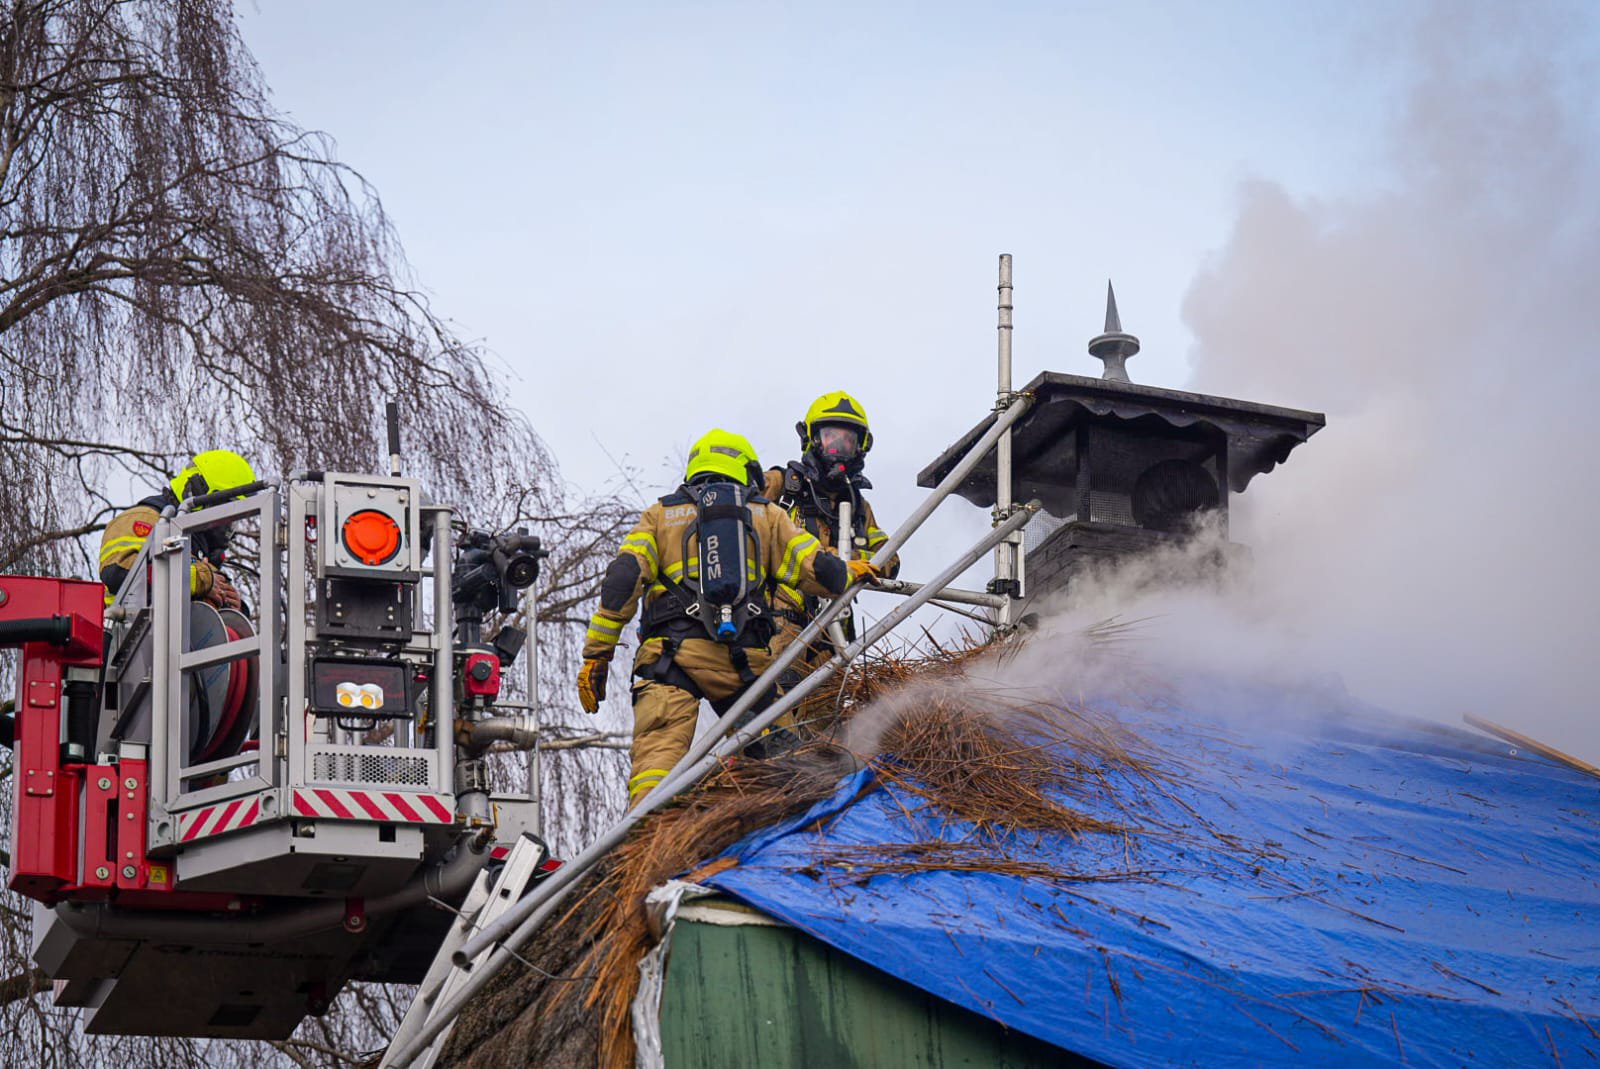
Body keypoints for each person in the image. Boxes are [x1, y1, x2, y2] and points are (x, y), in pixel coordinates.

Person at [577, 429, 881, 804]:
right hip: (744, 666)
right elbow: (819, 570)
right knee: (788, 769)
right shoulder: (768, 515)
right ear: (747, 471)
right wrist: (852, 571)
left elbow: (622, 580)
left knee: (655, 773)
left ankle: (645, 847)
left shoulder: (659, 515)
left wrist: (597, 655)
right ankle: (774, 838)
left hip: (669, 661)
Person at [763, 391, 900, 689]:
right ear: (812, 439)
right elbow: (737, 515)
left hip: (832, 636)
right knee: (775, 715)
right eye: (831, 438)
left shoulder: (859, 509)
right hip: (779, 626)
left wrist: (859, 564)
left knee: (828, 727)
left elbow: (889, 559)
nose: (839, 448)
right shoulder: (781, 486)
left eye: (848, 441)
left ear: (861, 447)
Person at [98, 449, 256, 609]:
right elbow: (120, 574)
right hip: (127, 630)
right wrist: (200, 580)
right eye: (224, 509)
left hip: (182, 632)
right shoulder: (144, 519)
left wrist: (233, 605)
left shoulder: (198, 547)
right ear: (195, 489)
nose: (226, 524)